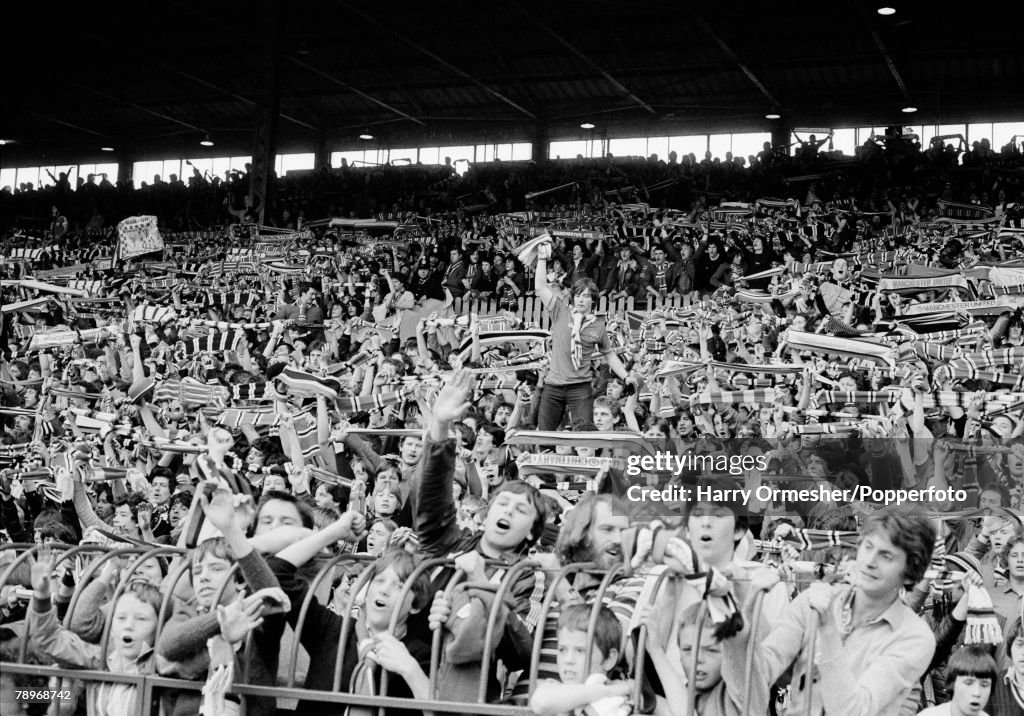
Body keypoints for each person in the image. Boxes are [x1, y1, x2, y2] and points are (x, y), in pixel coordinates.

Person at [534, 236, 635, 430]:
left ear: (593, 301)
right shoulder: (560, 310)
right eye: (578, 296)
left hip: (580, 388)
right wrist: (541, 258)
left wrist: (625, 376)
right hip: (553, 386)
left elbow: (609, 354)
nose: (581, 300)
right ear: (573, 298)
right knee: (545, 435)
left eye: (586, 296)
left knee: (584, 434)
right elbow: (540, 287)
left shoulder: (598, 326)